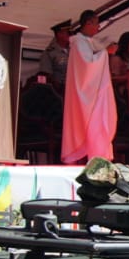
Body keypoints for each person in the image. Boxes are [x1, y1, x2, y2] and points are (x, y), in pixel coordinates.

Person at [61, 9, 117, 164]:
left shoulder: (89, 42)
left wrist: (105, 52)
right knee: (88, 125)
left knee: (99, 124)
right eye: (96, 24)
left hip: (93, 93)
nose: (98, 27)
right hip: (85, 94)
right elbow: (88, 65)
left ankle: (99, 158)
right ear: (88, 23)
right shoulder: (79, 42)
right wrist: (106, 53)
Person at [40, 19, 73, 93]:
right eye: (68, 33)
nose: (70, 35)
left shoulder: (73, 50)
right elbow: (45, 75)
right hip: (58, 92)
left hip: (73, 90)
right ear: (59, 34)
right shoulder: (49, 53)